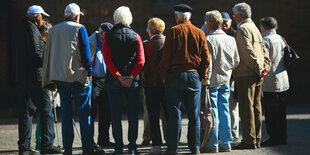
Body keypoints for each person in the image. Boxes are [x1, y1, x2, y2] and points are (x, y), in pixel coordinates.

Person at [42, 3, 104, 154]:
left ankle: (68, 148)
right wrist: (89, 72)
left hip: (60, 77)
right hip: (77, 76)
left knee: (66, 114)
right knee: (84, 113)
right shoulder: (79, 28)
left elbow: (48, 52)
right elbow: (85, 52)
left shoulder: (54, 30)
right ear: (76, 16)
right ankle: (87, 147)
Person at [160, 4, 210, 154]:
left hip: (175, 75)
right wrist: (201, 76)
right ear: (190, 17)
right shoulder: (199, 32)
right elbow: (206, 59)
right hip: (193, 75)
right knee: (194, 115)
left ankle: (172, 148)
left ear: (177, 17)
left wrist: (164, 76)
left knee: (175, 114)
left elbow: (166, 58)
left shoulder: (173, 31)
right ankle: (195, 148)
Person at [18, 5, 63, 155]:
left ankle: (24, 146)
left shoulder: (23, 27)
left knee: (26, 111)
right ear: (37, 16)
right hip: (36, 76)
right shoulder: (32, 28)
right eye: (42, 16)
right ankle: (47, 144)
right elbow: (36, 52)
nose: (43, 19)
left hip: (24, 75)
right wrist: (49, 62)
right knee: (46, 109)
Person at [102, 6, 145, 155]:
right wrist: (131, 76)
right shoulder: (136, 36)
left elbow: (107, 60)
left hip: (114, 80)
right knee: (133, 115)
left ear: (115, 19)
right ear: (129, 19)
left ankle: (118, 147)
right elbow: (140, 61)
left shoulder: (108, 36)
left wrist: (118, 75)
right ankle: (132, 147)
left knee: (115, 115)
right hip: (132, 81)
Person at [231, 2, 271, 150]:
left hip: (246, 73)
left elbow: (246, 52)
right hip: (258, 72)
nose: (233, 17)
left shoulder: (242, 29)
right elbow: (263, 49)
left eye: (234, 14)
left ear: (239, 15)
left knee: (247, 108)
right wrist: (265, 67)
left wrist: (258, 68)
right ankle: (257, 138)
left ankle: (249, 140)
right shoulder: (254, 27)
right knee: (256, 107)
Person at [202, 10, 240, 153]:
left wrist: (205, 81)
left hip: (212, 81)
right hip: (225, 79)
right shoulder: (231, 39)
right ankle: (226, 142)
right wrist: (227, 70)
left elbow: (208, 64)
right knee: (224, 110)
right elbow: (236, 60)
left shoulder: (208, 40)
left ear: (209, 24)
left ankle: (213, 144)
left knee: (213, 112)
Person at [259, 17, 289, 146]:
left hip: (270, 81)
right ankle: (282, 137)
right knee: (281, 111)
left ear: (263, 27)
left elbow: (264, 61)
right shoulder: (280, 38)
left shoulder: (265, 40)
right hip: (283, 78)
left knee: (271, 112)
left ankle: (274, 138)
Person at [143, 17, 169, 154]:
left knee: (153, 116)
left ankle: (156, 145)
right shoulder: (168, 43)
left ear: (151, 29)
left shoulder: (146, 45)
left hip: (150, 84)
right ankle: (171, 143)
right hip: (167, 84)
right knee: (169, 115)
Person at [89, 22, 115, 147]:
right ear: (101, 33)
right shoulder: (90, 41)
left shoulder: (109, 42)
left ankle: (103, 139)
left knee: (106, 111)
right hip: (93, 80)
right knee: (92, 111)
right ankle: (90, 141)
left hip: (106, 79)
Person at [220, 11, 239, 143]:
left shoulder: (235, 34)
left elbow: (237, 58)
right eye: (222, 21)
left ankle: (234, 133)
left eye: (226, 20)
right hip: (222, 76)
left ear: (231, 22)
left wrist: (230, 70)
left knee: (232, 106)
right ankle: (224, 134)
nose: (224, 23)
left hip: (232, 76)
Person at [35, 21, 53, 151]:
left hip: (47, 80)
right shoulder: (43, 45)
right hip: (44, 81)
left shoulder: (44, 44)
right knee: (45, 112)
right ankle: (42, 142)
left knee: (46, 112)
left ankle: (41, 142)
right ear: (45, 34)